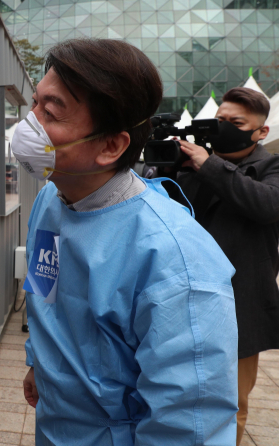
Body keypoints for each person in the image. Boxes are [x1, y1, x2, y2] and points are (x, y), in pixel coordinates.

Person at [13, 39, 238, 445]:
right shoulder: (52, 197)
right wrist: (38, 363)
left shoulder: (177, 261)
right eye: (34, 104)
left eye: (51, 112)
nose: (29, 123)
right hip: (54, 426)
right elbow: (44, 290)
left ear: (111, 146)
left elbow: (189, 424)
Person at [164, 87, 279, 446]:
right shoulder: (195, 163)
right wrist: (171, 167)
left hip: (239, 302)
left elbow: (267, 205)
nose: (224, 127)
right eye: (219, 120)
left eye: (236, 122)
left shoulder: (271, 165)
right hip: (182, 295)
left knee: (230, 400)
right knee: (173, 389)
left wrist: (209, 164)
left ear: (261, 131)